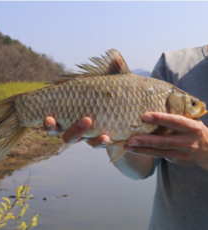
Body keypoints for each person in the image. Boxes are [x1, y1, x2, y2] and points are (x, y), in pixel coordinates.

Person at [43, 45, 208, 230]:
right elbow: (138, 171)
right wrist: (115, 135)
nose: (200, 108)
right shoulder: (172, 65)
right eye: (193, 104)